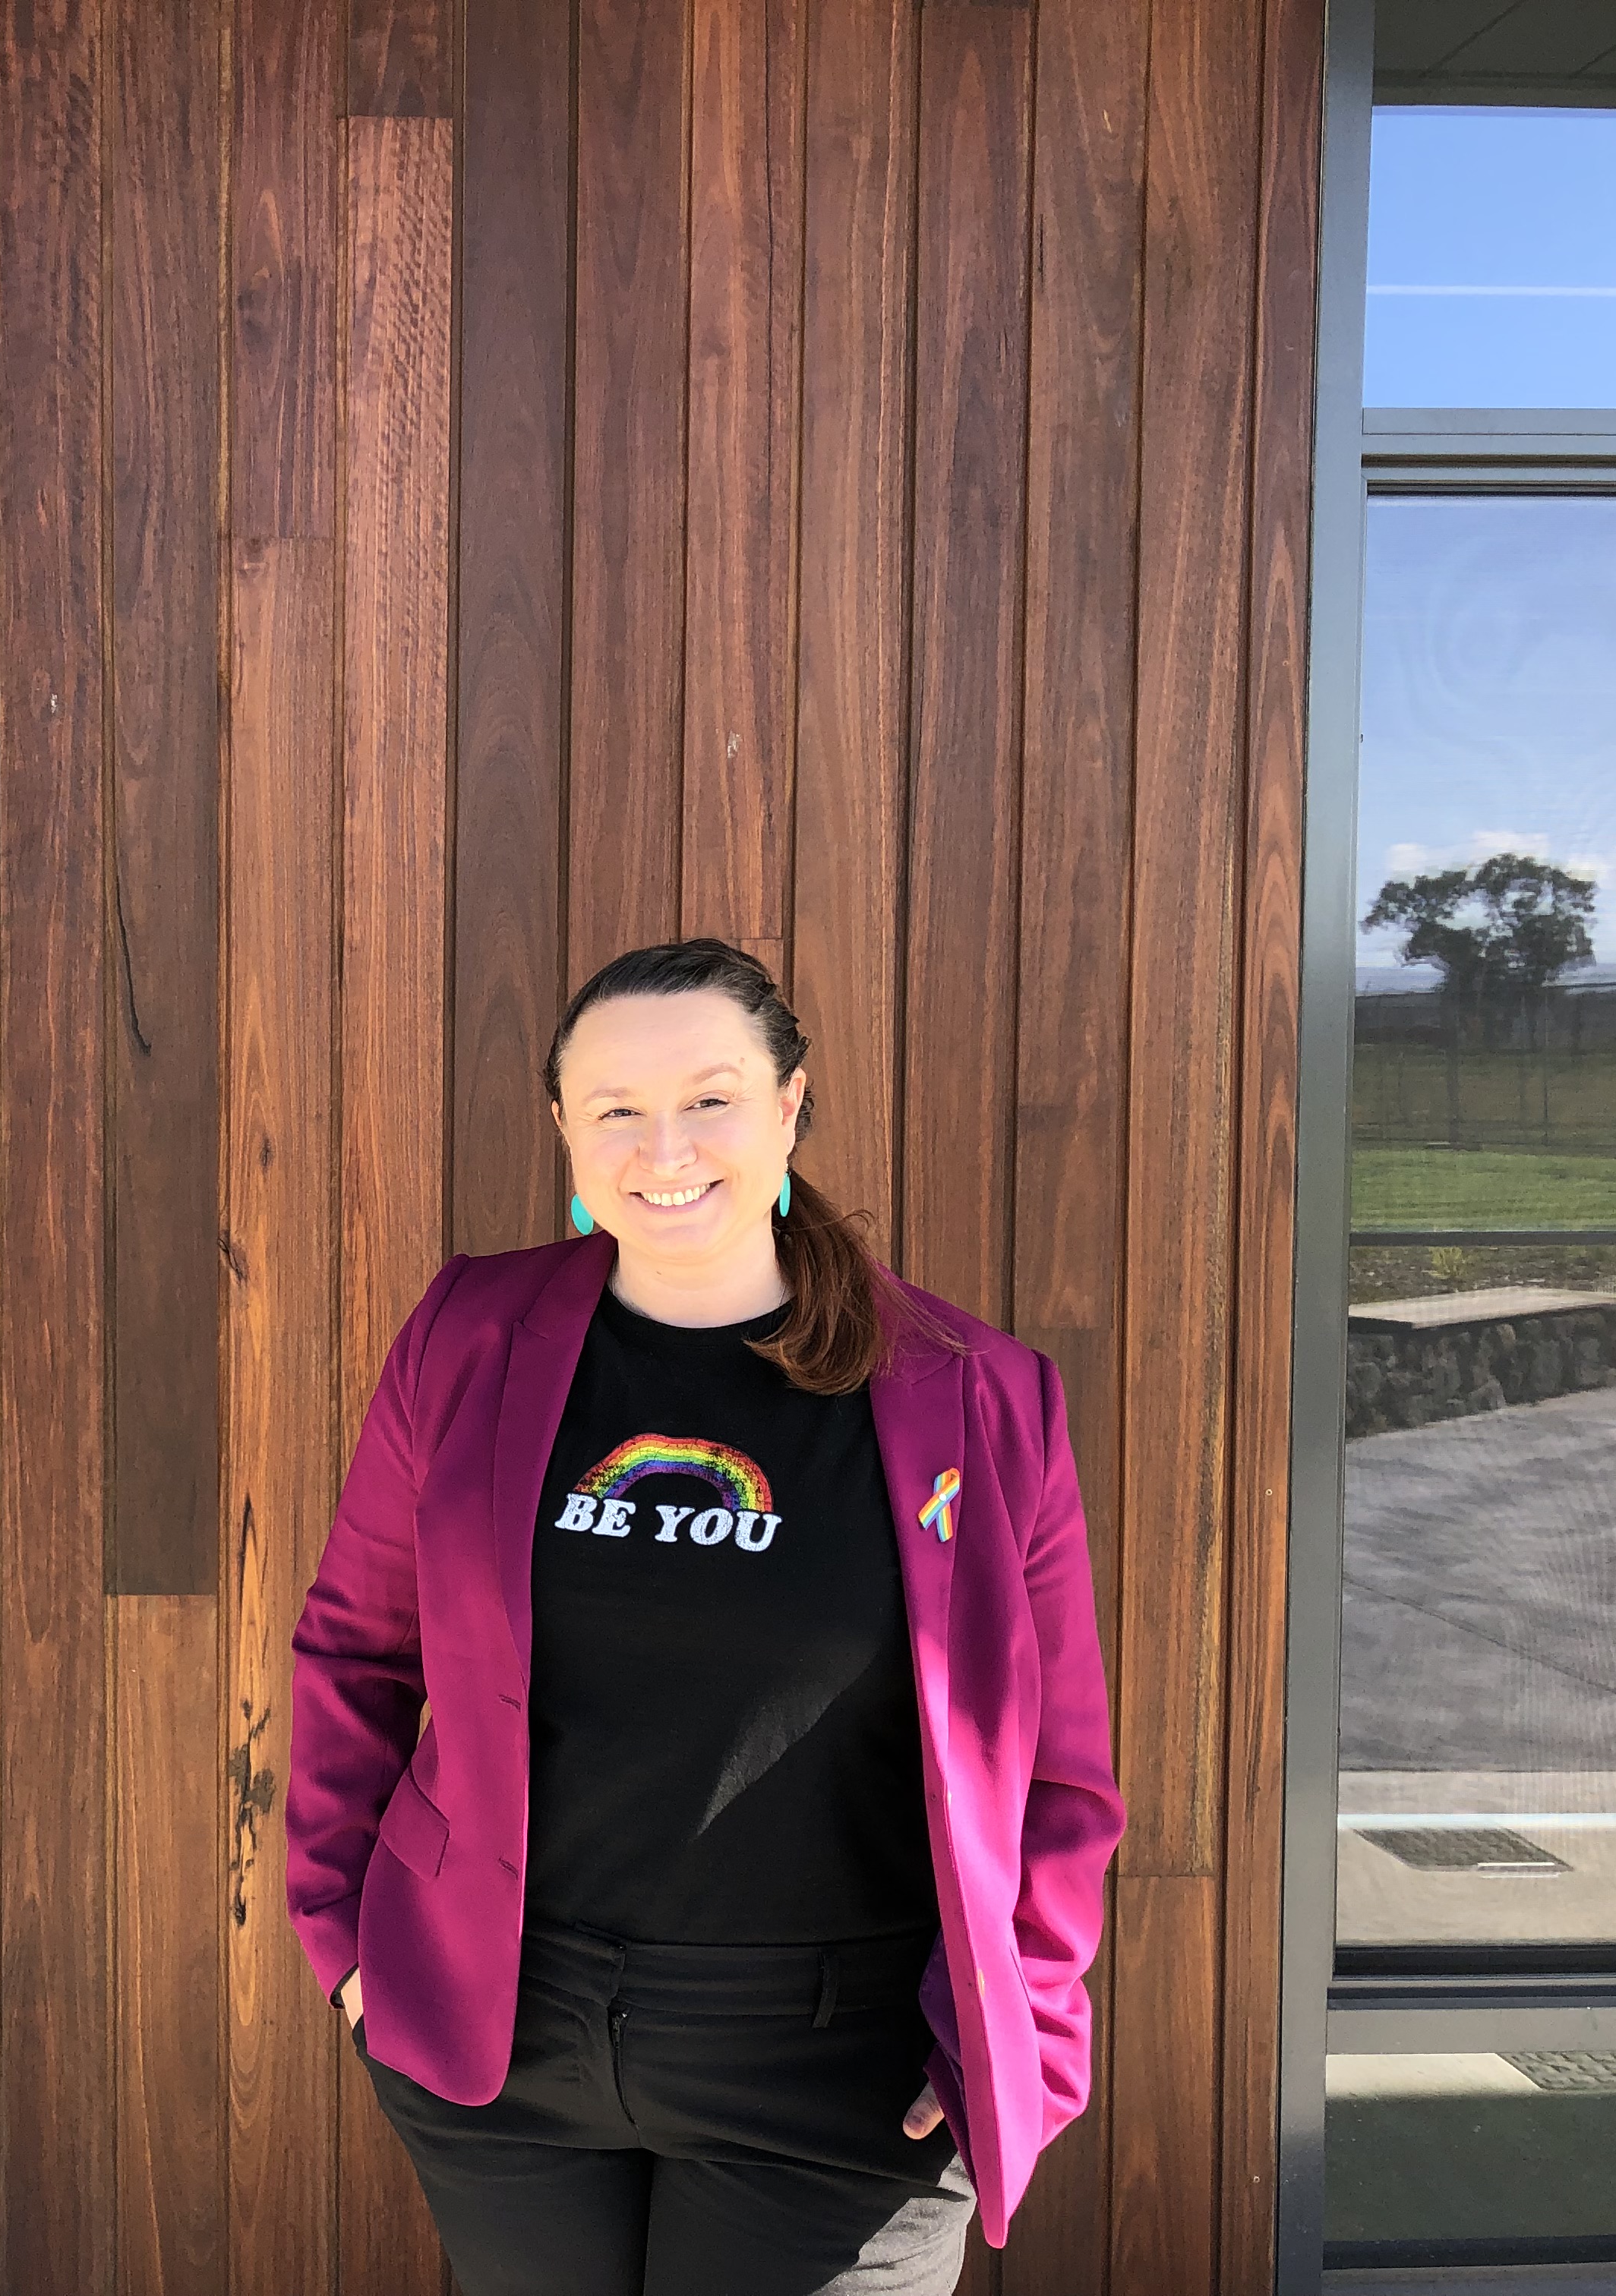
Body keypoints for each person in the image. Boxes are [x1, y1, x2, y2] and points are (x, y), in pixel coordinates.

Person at [285, 938, 1125, 2296]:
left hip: (843, 2075)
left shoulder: (973, 1395)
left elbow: (1060, 1765)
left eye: (712, 1098)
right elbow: (354, 1651)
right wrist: (344, 1939)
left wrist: (1021, 2025)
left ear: (793, 1105)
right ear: (564, 1126)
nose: (662, 1144)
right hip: (504, 2047)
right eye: (614, 1106)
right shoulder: (466, 1337)